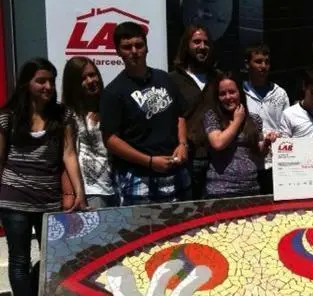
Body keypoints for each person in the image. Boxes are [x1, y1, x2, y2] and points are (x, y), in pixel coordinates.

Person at [0, 58, 86, 296]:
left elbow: (69, 154)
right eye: (41, 81)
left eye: (51, 80)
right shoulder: (8, 116)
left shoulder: (63, 115)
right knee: (19, 260)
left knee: (54, 259)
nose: (48, 86)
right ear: (27, 83)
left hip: (49, 200)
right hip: (14, 200)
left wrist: (79, 191)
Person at [100, 21, 190, 205]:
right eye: (127, 47)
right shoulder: (113, 92)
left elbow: (179, 114)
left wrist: (183, 144)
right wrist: (149, 161)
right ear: (118, 51)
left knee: (182, 223)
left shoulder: (165, 78)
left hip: (175, 173)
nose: (134, 51)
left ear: (146, 48)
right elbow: (110, 140)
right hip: (138, 178)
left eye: (139, 45)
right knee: (141, 224)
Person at [203, 71, 278, 198]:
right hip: (220, 190)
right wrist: (237, 120)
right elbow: (218, 143)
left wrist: (266, 143)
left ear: (240, 93)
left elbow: (259, 152)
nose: (228, 97)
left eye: (232, 92)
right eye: (222, 94)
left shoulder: (254, 119)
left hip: (250, 188)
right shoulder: (212, 116)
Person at [61, 56, 117, 208]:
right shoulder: (71, 114)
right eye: (83, 78)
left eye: (92, 75)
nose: (90, 81)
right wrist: (75, 193)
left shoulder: (110, 107)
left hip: (118, 187)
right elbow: (68, 154)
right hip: (91, 192)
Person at [169, 24, 217, 199]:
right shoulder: (171, 80)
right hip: (186, 162)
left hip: (217, 161)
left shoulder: (218, 78)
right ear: (186, 45)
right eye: (196, 42)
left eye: (206, 42)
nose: (202, 46)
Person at [243, 43, 290, 195]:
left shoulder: (280, 94)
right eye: (258, 61)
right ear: (247, 64)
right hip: (248, 164)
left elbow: (287, 127)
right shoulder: (240, 92)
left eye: (267, 62)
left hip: (275, 164)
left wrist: (277, 137)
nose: (263, 66)